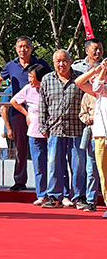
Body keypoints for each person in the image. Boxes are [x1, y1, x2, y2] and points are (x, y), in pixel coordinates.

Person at [0, 37, 52, 192]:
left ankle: (47, 185)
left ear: (31, 48)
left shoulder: (41, 64)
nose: (23, 50)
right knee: (20, 148)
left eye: (26, 46)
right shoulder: (11, 65)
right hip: (19, 112)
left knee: (43, 148)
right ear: (15, 49)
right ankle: (19, 181)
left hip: (41, 113)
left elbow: (51, 79)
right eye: (20, 46)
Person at [38, 50, 85, 209]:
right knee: (54, 164)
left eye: (64, 61)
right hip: (55, 129)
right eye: (58, 61)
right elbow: (42, 105)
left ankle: (79, 197)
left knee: (78, 166)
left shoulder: (80, 78)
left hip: (77, 129)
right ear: (53, 63)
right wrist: (43, 126)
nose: (61, 64)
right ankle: (54, 196)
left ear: (70, 61)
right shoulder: (47, 79)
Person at [11, 64, 50, 205]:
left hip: (52, 132)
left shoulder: (50, 88)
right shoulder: (28, 89)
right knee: (39, 165)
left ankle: (58, 194)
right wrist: (26, 114)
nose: (29, 79)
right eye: (28, 76)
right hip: (34, 132)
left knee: (55, 165)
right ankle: (42, 194)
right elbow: (14, 101)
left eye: (31, 77)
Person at [77, 60, 107, 218]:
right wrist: (97, 70)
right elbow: (79, 82)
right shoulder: (100, 91)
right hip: (100, 136)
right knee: (102, 173)